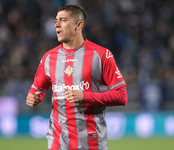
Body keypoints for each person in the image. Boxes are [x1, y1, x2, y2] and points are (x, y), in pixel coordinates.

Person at [26, 5, 127, 150]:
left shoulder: (101, 55)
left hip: (92, 142)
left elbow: (121, 96)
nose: (56, 25)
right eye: (56, 21)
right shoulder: (49, 57)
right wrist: (33, 98)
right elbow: (36, 90)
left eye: (63, 20)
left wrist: (85, 96)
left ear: (78, 25)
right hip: (57, 141)